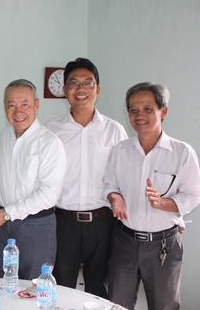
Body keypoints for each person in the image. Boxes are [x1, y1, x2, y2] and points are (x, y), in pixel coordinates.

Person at [104, 82, 200, 310]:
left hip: (163, 246)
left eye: (148, 108)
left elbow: (193, 195)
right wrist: (114, 197)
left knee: (164, 306)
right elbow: (109, 184)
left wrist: (164, 203)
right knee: (117, 305)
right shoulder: (121, 150)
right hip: (124, 242)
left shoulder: (181, 152)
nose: (139, 115)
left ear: (163, 111)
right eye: (133, 110)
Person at [45, 58, 127, 298]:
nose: (80, 89)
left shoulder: (114, 130)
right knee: (61, 287)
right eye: (73, 83)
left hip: (102, 223)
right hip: (63, 223)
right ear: (64, 91)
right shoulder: (51, 131)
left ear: (98, 89)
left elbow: (125, 175)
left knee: (98, 290)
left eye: (87, 83)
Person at [0, 79, 66, 280]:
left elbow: (48, 194)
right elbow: (12, 166)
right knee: (7, 282)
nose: (18, 112)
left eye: (24, 104)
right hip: (5, 225)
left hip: (35, 226)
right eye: (11, 105)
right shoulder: (6, 135)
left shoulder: (50, 142)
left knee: (34, 286)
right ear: (4, 107)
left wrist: (7, 213)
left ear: (36, 105)